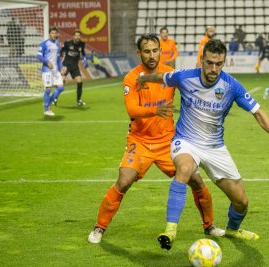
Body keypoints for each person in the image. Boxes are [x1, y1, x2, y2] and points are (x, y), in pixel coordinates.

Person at [137, 39, 269, 250]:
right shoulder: (185, 77)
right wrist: (143, 79)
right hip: (185, 141)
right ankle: (170, 231)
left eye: (218, 64)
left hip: (215, 148)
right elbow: (160, 77)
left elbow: (257, 112)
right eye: (210, 63)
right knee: (184, 169)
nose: (214, 69)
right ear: (202, 60)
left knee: (241, 202)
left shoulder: (231, 86)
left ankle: (232, 229)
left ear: (224, 62)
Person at [87, 34, 224, 245]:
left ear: (161, 50)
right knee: (124, 180)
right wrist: (154, 110)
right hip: (139, 141)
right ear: (139, 53)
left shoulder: (170, 74)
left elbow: (194, 84)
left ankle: (210, 226)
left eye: (155, 50)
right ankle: (99, 227)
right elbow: (131, 109)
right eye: (147, 51)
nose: (152, 55)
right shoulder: (132, 78)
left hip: (168, 142)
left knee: (196, 179)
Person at [36, 27, 65, 116]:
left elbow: (58, 59)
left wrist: (62, 67)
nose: (54, 35)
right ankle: (46, 110)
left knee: (60, 88)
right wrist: (47, 62)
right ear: (49, 34)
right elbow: (38, 56)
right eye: (52, 33)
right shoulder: (44, 44)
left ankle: (47, 104)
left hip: (55, 70)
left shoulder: (57, 44)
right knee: (48, 90)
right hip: (47, 70)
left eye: (55, 33)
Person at [60, 29, 87, 106]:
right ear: (73, 36)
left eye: (79, 35)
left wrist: (85, 59)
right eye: (76, 35)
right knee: (62, 82)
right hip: (66, 65)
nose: (77, 37)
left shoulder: (82, 44)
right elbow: (61, 51)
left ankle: (78, 100)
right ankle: (55, 99)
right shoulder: (67, 43)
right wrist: (60, 61)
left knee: (79, 82)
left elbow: (83, 53)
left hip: (75, 66)